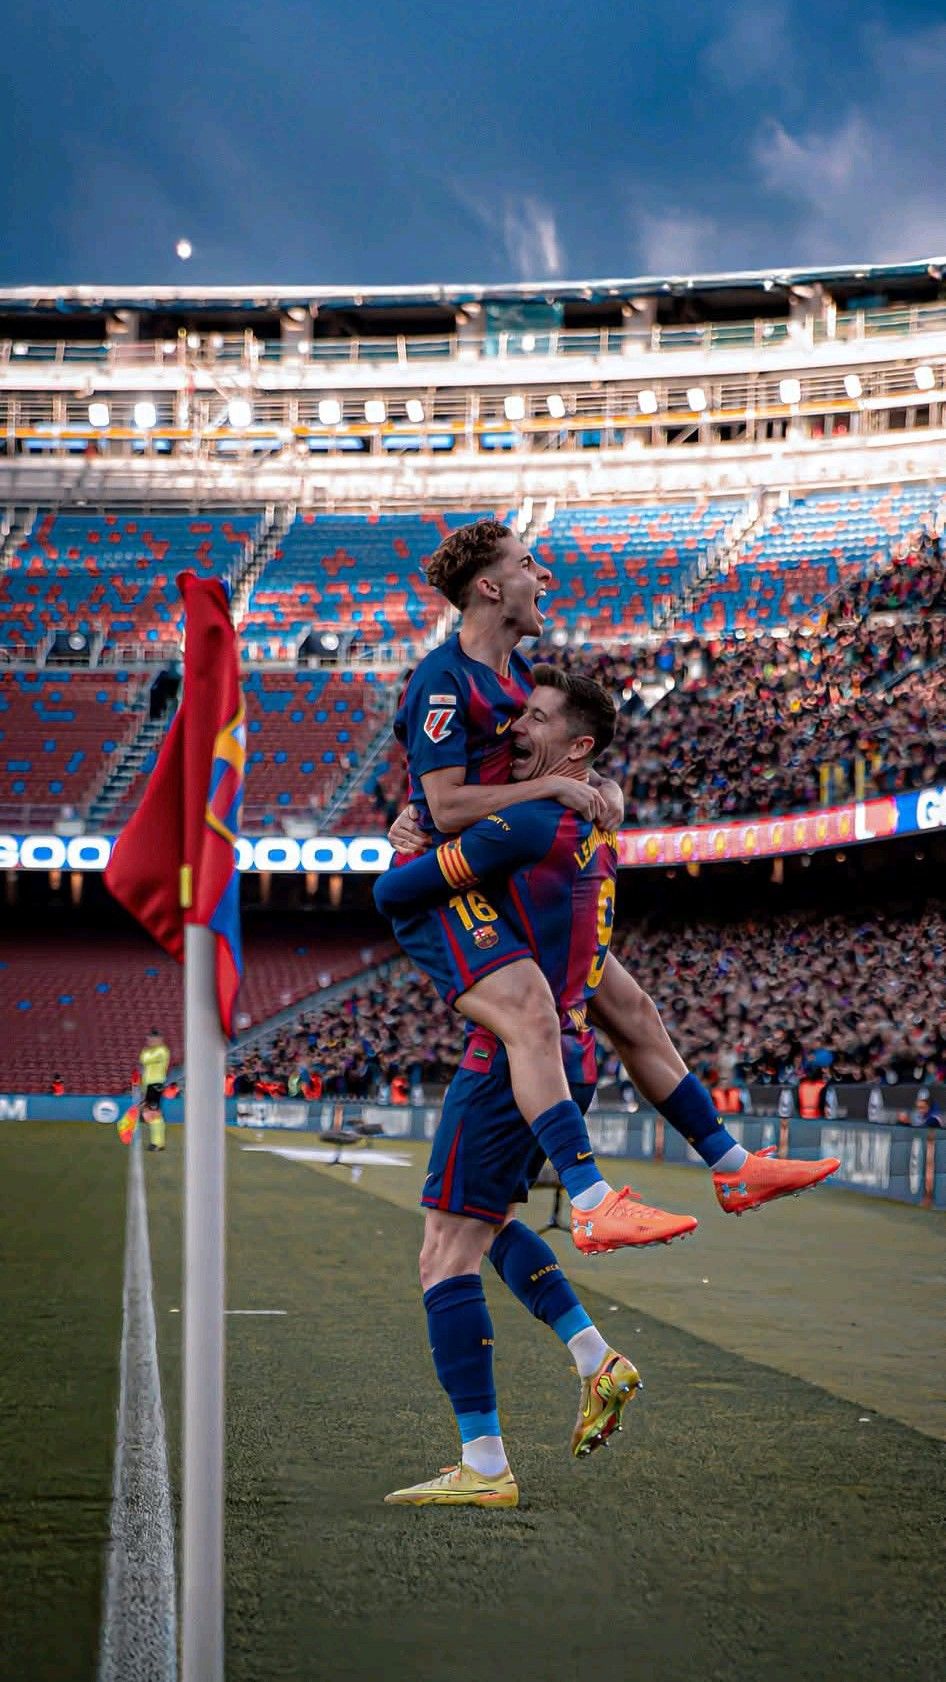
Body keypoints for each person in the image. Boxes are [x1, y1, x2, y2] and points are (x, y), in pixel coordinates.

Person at [389, 518, 839, 1218]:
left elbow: (532, 763)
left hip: (501, 864)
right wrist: (550, 788)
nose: (544, 577)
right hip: (445, 879)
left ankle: (732, 1166)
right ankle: (590, 1196)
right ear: (489, 588)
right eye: (528, 564)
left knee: (632, 1009)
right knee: (534, 1015)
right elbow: (444, 807)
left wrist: (603, 785)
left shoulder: (516, 676)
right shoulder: (443, 681)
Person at [375, 668, 690, 1507]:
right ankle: (595, 1357)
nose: (516, 730)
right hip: (558, 1053)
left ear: (574, 746)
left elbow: (406, 888)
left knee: (444, 1254)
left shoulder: (534, 819)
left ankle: (484, 1465)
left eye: (536, 719)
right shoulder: (578, 818)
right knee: (487, 1227)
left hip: (510, 1059)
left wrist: (412, 845)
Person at [138, 1028, 171, 1151]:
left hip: (156, 1084)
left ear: (160, 1039)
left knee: (153, 1114)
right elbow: (143, 1059)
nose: (150, 1040)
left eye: (153, 1038)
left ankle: (158, 1143)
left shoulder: (162, 1050)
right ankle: (156, 1142)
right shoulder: (149, 1050)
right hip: (148, 1084)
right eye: (149, 1038)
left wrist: (146, 1056)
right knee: (152, 1112)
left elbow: (145, 1059)